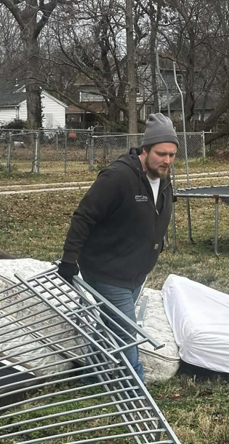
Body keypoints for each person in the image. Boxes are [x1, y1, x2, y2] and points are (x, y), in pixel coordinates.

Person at [58, 113, 178, 381]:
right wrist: (69, 259)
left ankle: (91, 377)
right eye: (161, 153)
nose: (167, 160)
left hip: (136, 271)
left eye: (172, 154)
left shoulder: (165, 178)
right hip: (107, 270)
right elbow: (84, 216)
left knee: (108, 327)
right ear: (145, 149)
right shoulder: (118, 177)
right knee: (126, 335)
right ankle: (135, 393)